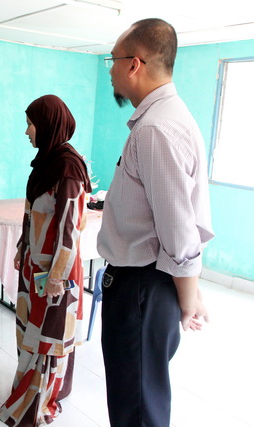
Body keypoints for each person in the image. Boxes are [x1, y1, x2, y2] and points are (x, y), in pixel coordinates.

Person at [97, 18, 214, 427]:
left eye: (112, 60)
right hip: (148, 285)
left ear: (134, 64)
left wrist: (188, 298)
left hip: (141, 288)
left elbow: (179, 232)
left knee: (137, 409)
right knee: (141, 398)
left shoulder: (155, 130)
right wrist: (188, 291)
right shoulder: (168, 118)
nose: (109, 70)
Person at [0, 95, 91, 426]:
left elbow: (70, 230)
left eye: (30, 124)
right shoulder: (46, 162)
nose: (26, 131)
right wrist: (21, 248)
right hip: (34, 266)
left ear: (48, 125)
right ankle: (27, 391)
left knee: (47, 339)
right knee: (31, 333)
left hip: (54, 274)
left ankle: (37, 402)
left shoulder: (68, 169)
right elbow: (32, 215)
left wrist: (56, 278)